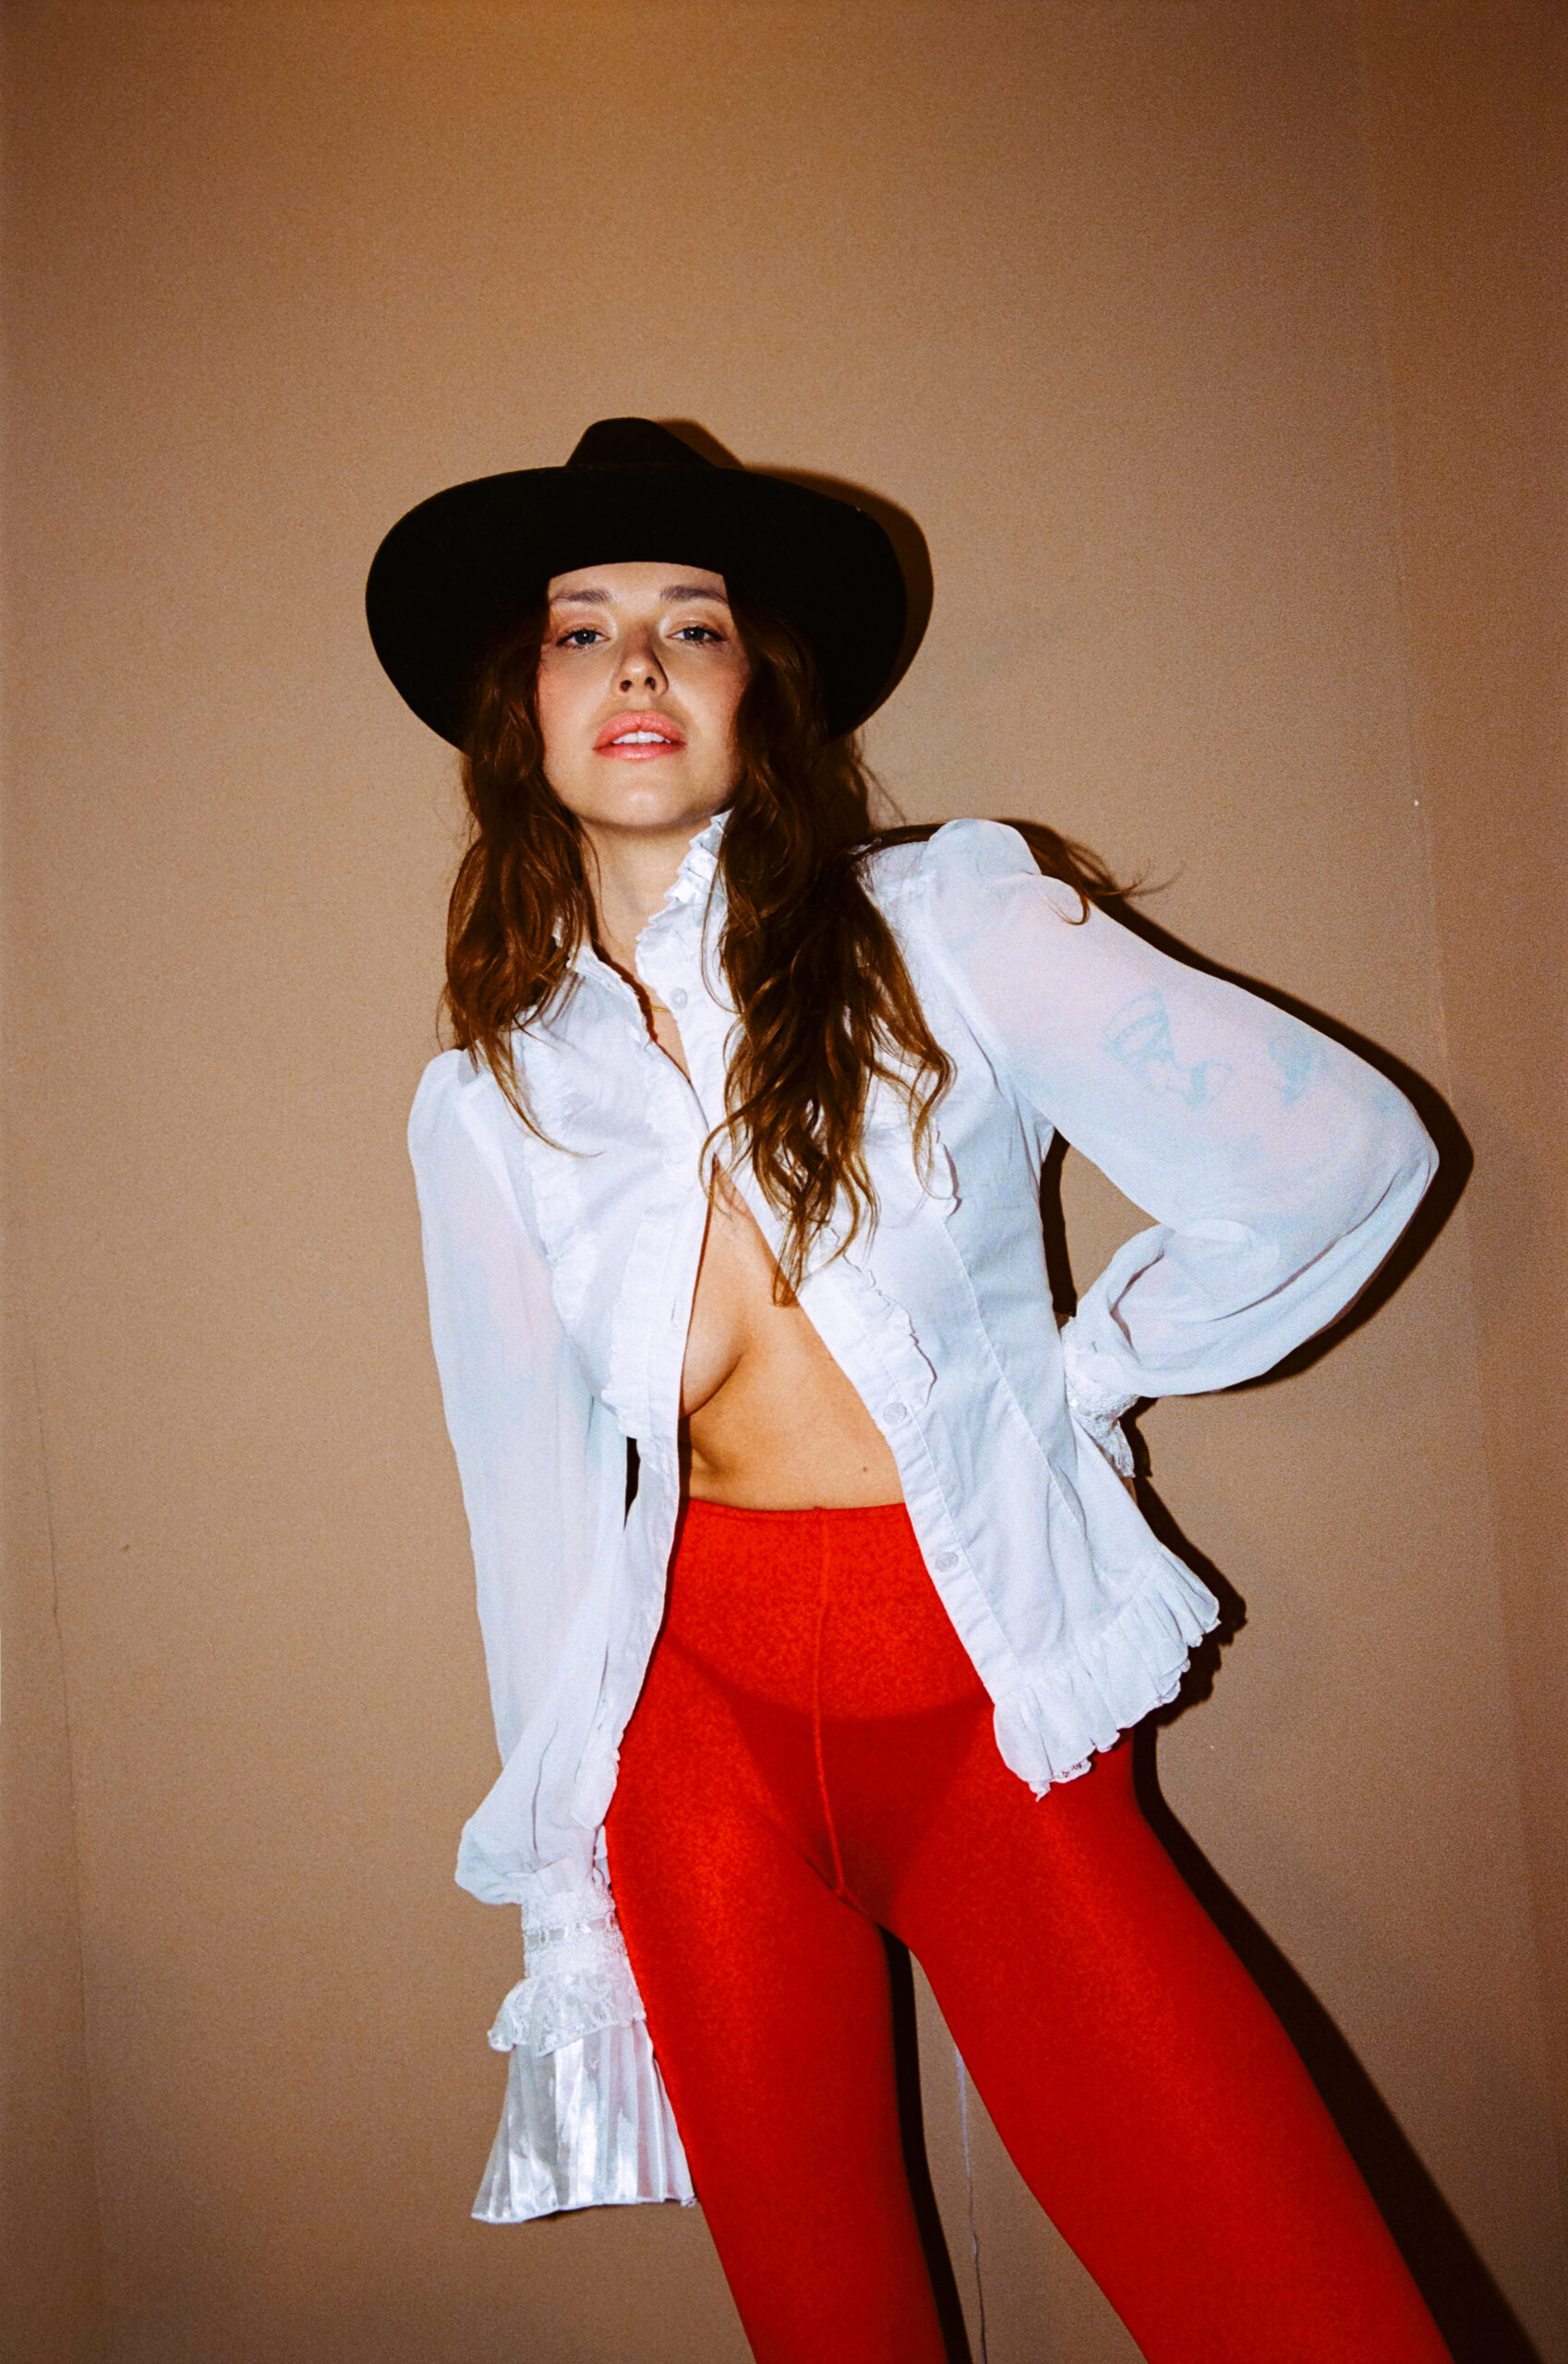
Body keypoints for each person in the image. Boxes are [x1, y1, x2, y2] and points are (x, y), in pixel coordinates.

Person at [367, 418, 1452, 2363]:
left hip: (979, 1716)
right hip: (683, 1743)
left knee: (1304, 2312)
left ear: (758, 689)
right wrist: (567, 1916)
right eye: (580, 628)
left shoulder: (944, 929)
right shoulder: (494, 1097)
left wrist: (1085, 1377)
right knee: (830, 2333)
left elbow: (1333, 1152)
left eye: (693, 625)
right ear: (517, 706)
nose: (635, 663)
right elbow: (527, 1522)